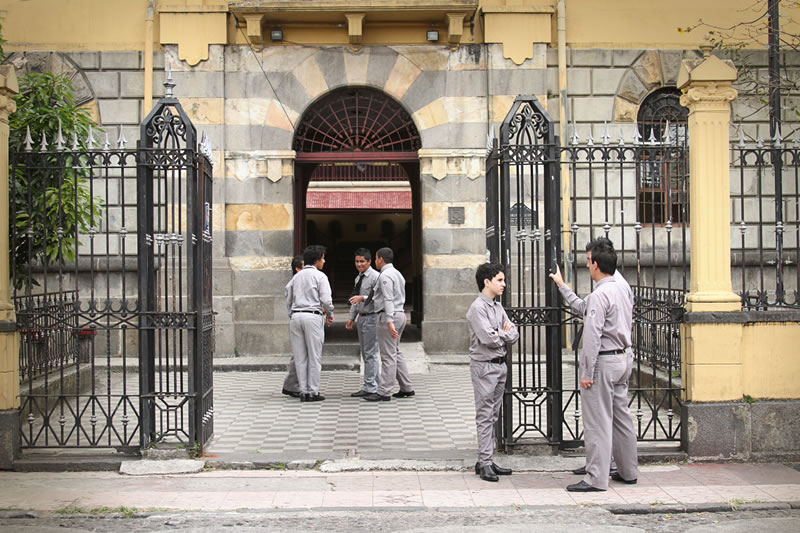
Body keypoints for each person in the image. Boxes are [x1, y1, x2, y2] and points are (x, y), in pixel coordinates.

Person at [552, 238, 638, 492]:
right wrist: (562, 285)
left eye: (589, 261)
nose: (587, 266)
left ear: (596, 265)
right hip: (623, 358)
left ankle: (596, 478)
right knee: (621, 418)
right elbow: (583, 307)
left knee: (597, 422)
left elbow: (591, 336)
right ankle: (628, 471)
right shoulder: (621, 287)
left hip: (604, 361)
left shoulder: (601, 294)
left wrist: (587, 373)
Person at [466, 262, 519, 482]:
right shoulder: (477, 308)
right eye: (500, 280)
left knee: (493, 415)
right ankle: (485, 462)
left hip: (500, 365)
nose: (504, 284)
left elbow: (514, 333)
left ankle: (486, 459)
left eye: (503, 280)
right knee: (485, 414)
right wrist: (502, 334)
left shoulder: (497, 307)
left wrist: (502, 334)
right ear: (486, 282)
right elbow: (488, 339)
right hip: (485, 367)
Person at [363, 247, 414, 402]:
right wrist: (363, 298)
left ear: (380, 259)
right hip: (400, 313)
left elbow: (388, 298)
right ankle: (407, 387)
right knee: (395, 352)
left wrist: (389, 321)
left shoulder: (385, 275)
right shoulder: (397, 273)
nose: (376, 261)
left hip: (388, 316)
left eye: (376, 258)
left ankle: (384, 391)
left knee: (388, 356)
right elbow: (383, 295)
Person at [285, 245, 334, 402]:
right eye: (323, 258)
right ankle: (313, 391)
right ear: (317, 260)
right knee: (314, 356)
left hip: (296, 316)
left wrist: (291, 314)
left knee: (300, 357)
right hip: (312, 316)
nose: (324, 261)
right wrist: (330, 313)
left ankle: (303, 391)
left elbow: (288, 297)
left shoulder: (296, 277)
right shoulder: (320, 277)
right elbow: (326, 300)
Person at [346, 248, 381, 397]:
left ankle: (370, 387)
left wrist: (363, 298)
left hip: (372, 317)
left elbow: (381, 297)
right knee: (367, 353)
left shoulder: (376, 277)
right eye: (356, 261)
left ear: (369, 261)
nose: (359, 264)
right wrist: (351, 317)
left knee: (370, 353)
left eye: (362, 261)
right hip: (362, 318)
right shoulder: (358, 277)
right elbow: (355, 299)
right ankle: (374, 384)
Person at [281, 255, 304, 398]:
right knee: (298, 353)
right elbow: (288, 304)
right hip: (298, 319)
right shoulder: (293, 284)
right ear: (297, 269)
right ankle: (292, 385)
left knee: (301, 353)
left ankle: (295, 384)